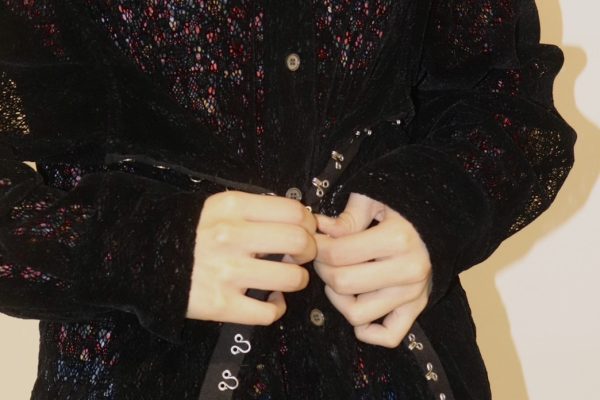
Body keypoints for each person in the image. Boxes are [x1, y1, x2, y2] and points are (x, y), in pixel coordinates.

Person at [0, 0, 576, 399]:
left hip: (400, 363)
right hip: (136, 369)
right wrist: (139, 247)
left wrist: (438, 203)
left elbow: (503, 91)